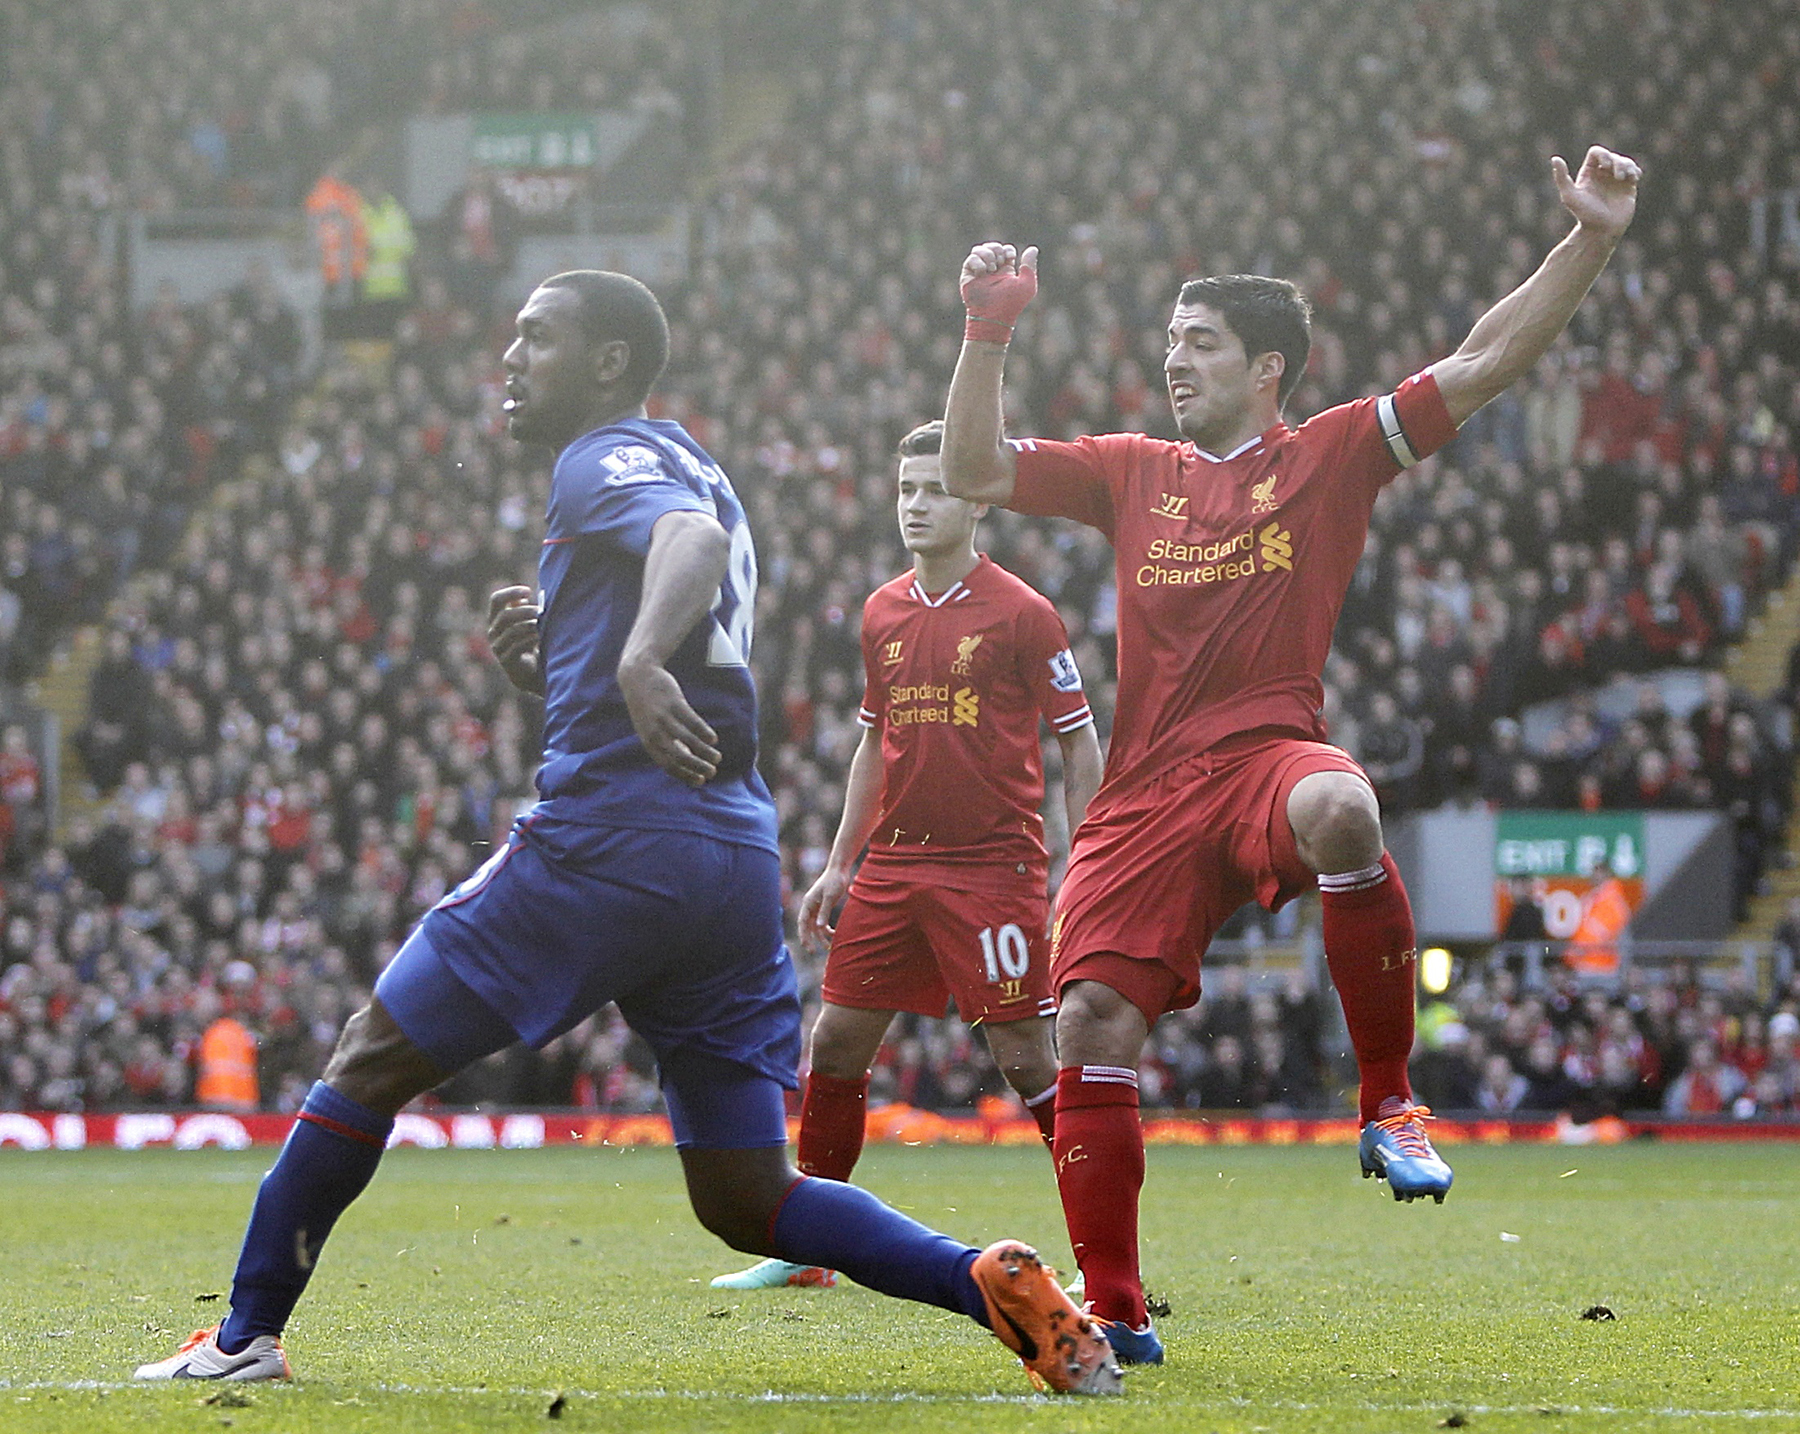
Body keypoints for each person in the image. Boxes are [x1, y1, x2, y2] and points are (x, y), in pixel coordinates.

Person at [134, 270, 1120, 1395]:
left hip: (610, 840)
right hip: (729, 863)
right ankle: (981, 1280)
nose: (511, 358)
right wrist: (571, 658)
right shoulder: (696, 462)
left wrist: (637, 660)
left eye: (537, 338)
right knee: (748, 1198)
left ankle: (243, 1333)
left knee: (369, 1055)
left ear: (610, 364)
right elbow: (689, 567)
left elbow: (685, 546)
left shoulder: (605, 455)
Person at [941, 146, 1642, 1362]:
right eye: (1170, 338)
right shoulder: (1131, 473)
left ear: (1268, 366)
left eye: (1200, 340)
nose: (1174, 358)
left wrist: (1589, 239)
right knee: (1090, 1025)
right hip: (1145, 794)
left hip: (1268, 752)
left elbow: (1485, 361)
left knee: (1344, 814)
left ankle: (1388, 1102)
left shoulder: (1326, 454)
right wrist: (986, 335)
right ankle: (1115, 1315)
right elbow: (977, 472)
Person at [714, 419, 1104, 1291]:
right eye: (906, 491)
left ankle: (1100, 1258)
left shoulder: (1023, 613)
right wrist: (841, 862)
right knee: (838, 1040)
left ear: (977, 501)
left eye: (935, 490)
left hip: (992, 865)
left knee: (1028, 1059)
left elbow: (1078, 744)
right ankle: (806, 1251)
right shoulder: (881, 610)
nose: (916, 506)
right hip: (894, 864)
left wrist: (1086, 861)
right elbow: (871, 744)